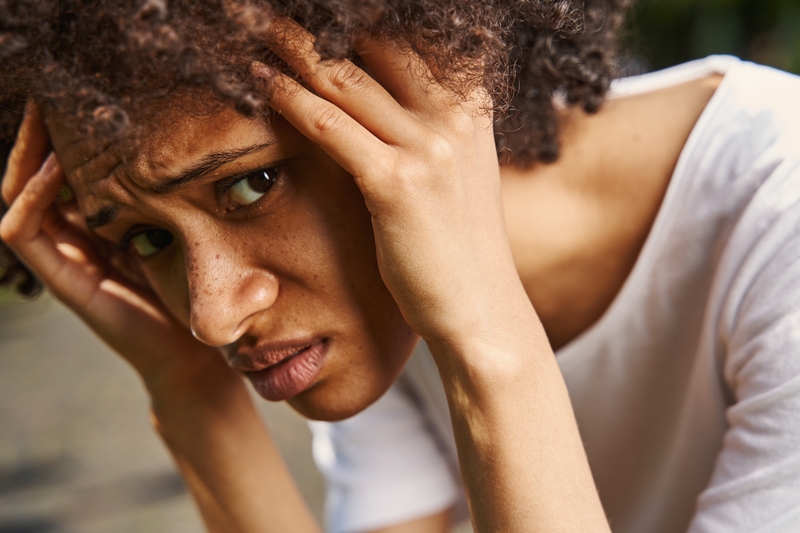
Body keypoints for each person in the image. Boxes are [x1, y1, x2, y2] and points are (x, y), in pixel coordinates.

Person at [2, 1, 800, 532]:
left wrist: (486, 338)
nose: (213, 314)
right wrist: (191, 394)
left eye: (251, 184)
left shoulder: (779, 210)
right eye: (150, 239)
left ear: (407, 71)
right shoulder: (372, 307)